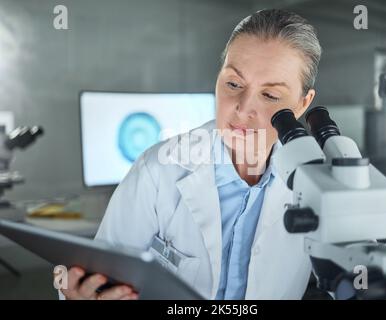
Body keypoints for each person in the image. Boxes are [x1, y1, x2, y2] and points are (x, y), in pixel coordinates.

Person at [60, 9, 324, 300]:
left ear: (302, 104)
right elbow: (99, 277)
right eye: (233, 84)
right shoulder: (159, 169)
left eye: (270, 95)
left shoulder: (320, 183)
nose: (243, 108)